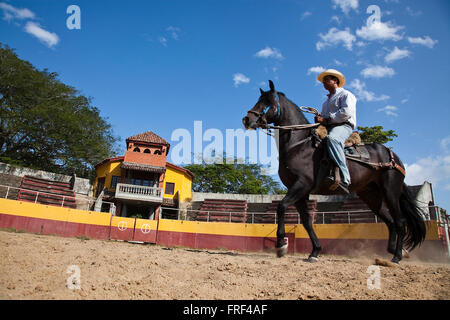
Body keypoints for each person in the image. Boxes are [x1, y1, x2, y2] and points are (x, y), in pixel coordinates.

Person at [314, 69, 357, 194]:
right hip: (329, 126)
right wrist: (319, 119)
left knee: (333, 139)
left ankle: (345, 178)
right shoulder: (325, 102)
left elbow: (346, 113)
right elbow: (324, 118)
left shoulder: (346, 94)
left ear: (335, 81)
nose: (324, 83)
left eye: (326, 80)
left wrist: (327, 119)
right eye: (323, 81)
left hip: (344, 126)